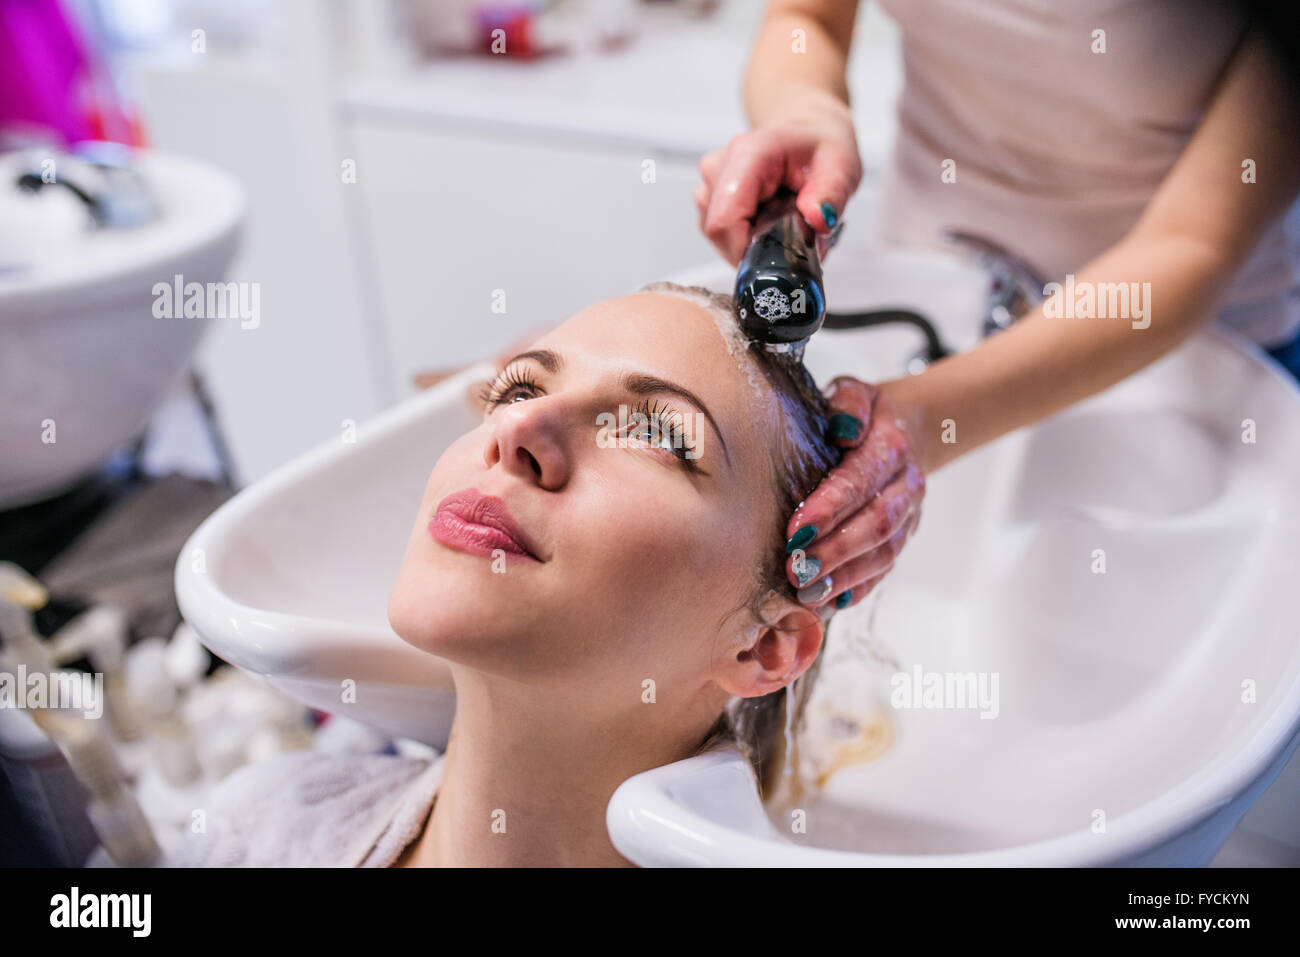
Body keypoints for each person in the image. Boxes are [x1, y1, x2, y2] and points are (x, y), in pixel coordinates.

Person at [175, 282, 854, 867]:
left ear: (765, 646)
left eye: (654, 433)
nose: (519, 428)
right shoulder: (261, 825)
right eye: (518, 388)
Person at [696, 0, 1300, 615]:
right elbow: (805, 20)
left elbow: (1194, 244)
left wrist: (927, 420)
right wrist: (808, 113)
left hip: (1173, 362)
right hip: (930, 296)